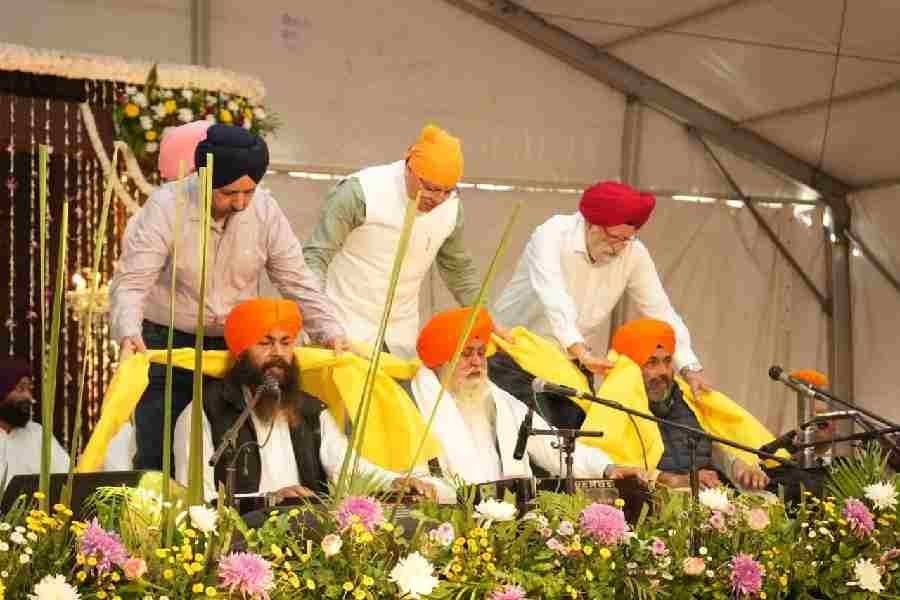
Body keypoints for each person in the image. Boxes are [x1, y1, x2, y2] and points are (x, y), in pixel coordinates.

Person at [111, 124, 348, 471]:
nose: (239, 202)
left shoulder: (264, 210)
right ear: (203, 178)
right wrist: (128, 330)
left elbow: (296, 278)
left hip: (234, 349)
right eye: (228, 192)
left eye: (248, 192)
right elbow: (132, 281)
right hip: (168, 344)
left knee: (229, 453)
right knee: (159, 452)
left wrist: (328, 328)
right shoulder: (166, 206)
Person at [338, 307, 646, 503]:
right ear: (440, 360)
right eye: (465, 354)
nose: (477, 362)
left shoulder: (500, 400)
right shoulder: (408, 400)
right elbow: (349, 462)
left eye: (480, 352)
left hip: (511, 519)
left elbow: (553, 444)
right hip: (441, 520)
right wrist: (396, 481)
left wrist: (607, 467)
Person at [174, 298, 433, 503]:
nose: (278, 353)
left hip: (305, 539)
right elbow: (194, 497)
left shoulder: (310, 410)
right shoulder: (204, 413)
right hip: (238, 542)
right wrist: (270, 500)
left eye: (286, 343)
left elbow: (346, 468)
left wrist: (394, 482)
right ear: (241, 352)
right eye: (265, 343)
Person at [303, 124, 480, 358]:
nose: (438, 199)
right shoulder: (359, 192)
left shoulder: (451, 207)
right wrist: (320, 322)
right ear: (409, 167)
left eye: (447, 191)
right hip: (341, 330)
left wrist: (483, 317)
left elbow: (459, 269)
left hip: (400, 337)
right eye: (430, 188)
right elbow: (315, 258)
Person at [583, 318, 771, 491]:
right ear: (629, 368)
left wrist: (740, 466)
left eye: (667, 361)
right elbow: (612, 468)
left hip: (710, 500)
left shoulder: (687, 400)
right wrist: (670, 480)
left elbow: (710, 447)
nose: (663, 372)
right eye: (651, 362)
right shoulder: (613, 412)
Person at [0, 357, 69, 488]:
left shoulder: (38, 434)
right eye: (21, 389)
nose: (28, 396)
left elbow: (67, 478)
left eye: (29, 389)